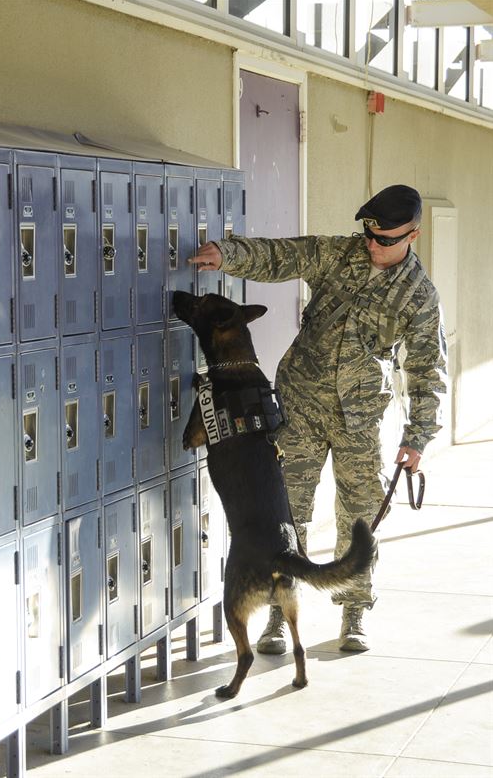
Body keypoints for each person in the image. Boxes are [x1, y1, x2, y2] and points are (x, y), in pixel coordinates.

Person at [188, 184, 447, 654]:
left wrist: (418, 436)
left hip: (360, 416)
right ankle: (275, 614)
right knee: (286, 513)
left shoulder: (418, 296)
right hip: (300, 406)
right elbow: (282, 256)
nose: (372, 245)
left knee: (360, 514)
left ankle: (354, 614)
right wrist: (227, 254)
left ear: (414, 236)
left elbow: (428, 368)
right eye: (369, 234)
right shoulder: (339, 255)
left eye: (385, 239)